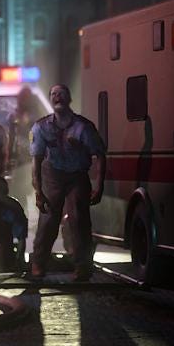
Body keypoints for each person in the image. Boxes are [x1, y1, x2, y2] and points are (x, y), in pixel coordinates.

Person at [29, 84, 106, 282]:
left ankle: (82, 266)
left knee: (78, 218)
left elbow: (100, 155)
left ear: (69, 98)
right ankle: (38, 263)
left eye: (62, 94)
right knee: (48, 219)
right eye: (54, 94)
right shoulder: (41, 127)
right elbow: (36, 160)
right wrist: (38, 191)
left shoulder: (83, 127)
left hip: (77, 176)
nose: (58, 97)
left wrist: (99, 186)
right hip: (52, 175)